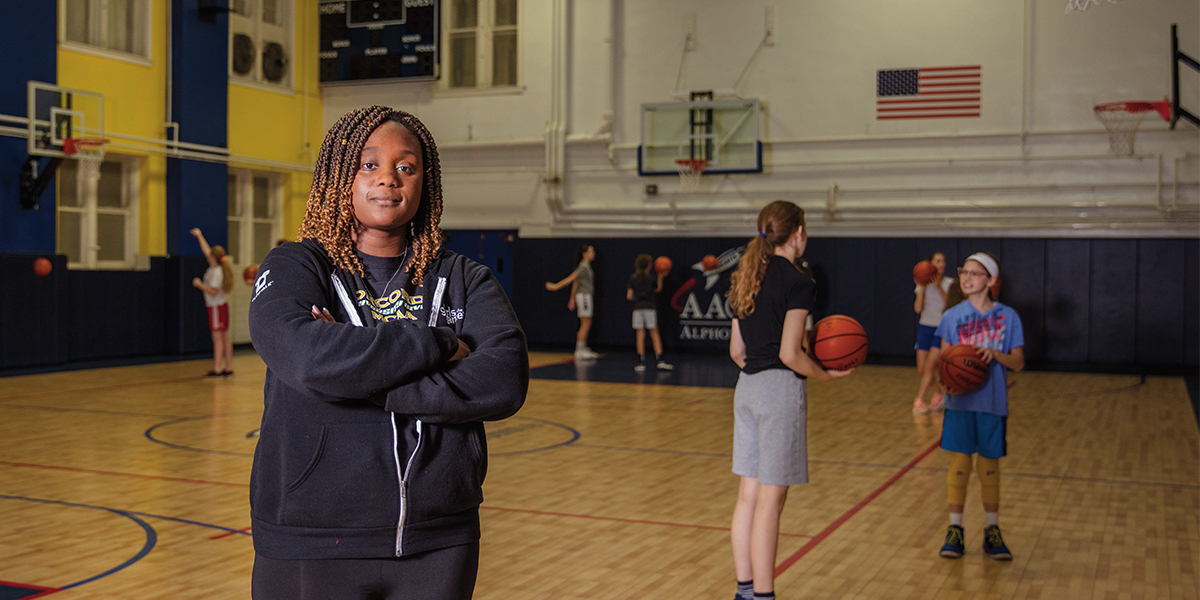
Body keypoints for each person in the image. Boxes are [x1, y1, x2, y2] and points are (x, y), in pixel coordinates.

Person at [247, 105, 529, 600]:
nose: (388, 180)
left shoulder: (464, 279)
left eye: (406, 167)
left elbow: (504, 379)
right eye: (368, 164)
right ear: (339, 176)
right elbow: (309, 359)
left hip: (438, 539)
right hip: (311, 537)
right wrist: (443, 344)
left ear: (425, 182)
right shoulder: (296, 265)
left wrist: (357, 375)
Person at [726, 200, 853, 600]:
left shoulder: (746, 275)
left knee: (747, 496)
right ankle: (764, 595)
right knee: (770, 501)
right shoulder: (800, 282)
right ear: (798, 233)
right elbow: (790, 354)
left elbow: (736, 351)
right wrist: (825, 374)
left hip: (745, 389)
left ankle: (744, 590)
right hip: (778, 391)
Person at [916, 252, 1024, 562]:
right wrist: (947, 380)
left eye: (975, 274)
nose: (966, 278)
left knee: (989, 467)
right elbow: (947, 361)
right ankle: (955, 530)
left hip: (992, 403)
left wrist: (994, 353)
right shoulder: (951, 316)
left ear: (990, 281)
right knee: (959, 465)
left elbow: (1018, 362)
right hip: (960, 403)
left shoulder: (1008, 317)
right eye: (964, 272)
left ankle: (992, 531)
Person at [913, 252, 953, 414]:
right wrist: (922, 287)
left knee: (930, 367)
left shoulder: (950, 283)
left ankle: (919, 399)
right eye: (938, 261)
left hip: (941, 328)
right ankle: (939, 392)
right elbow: (917, 309)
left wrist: (937, 287)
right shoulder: (921, 284)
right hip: (925, 327)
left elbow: (950, 306)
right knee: (922, 368)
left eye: (943, 261)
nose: (941, 264)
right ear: (930, 264)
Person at [190, 228, 234, 378]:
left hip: (216, 306)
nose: (207, 255)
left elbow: (213, 291)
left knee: (218, 339)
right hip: (220, 306)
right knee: (225, 338)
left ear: (213, 258)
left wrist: (199, 284)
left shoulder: (216, 272)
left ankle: (217, 369)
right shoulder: (215, 267)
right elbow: (206, 250)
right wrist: (200, 235)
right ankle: (228, 368)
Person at [544, 245, 599, 359]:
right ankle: (579, 350)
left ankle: (582, 347)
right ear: (584, 253)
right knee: (585, 322)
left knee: (587, 321)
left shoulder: (586, 266)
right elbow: (572, 279)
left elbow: (576, 283)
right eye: (590, 251)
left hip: (584, 296)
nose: (593, 253)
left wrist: (572, 298)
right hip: (584, 296)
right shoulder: (583, 266)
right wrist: (556, 286)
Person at [626, 254, 673, 372]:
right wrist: (660, 277)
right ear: (649, 265)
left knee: (640, 334)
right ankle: (660, 360)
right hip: (649, 308)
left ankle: (641, 361)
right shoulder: (651, 277)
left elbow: (629, 296)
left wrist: (638, 296)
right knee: (654, 333)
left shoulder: (633, 277)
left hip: (637, 309)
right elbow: (658, 289)